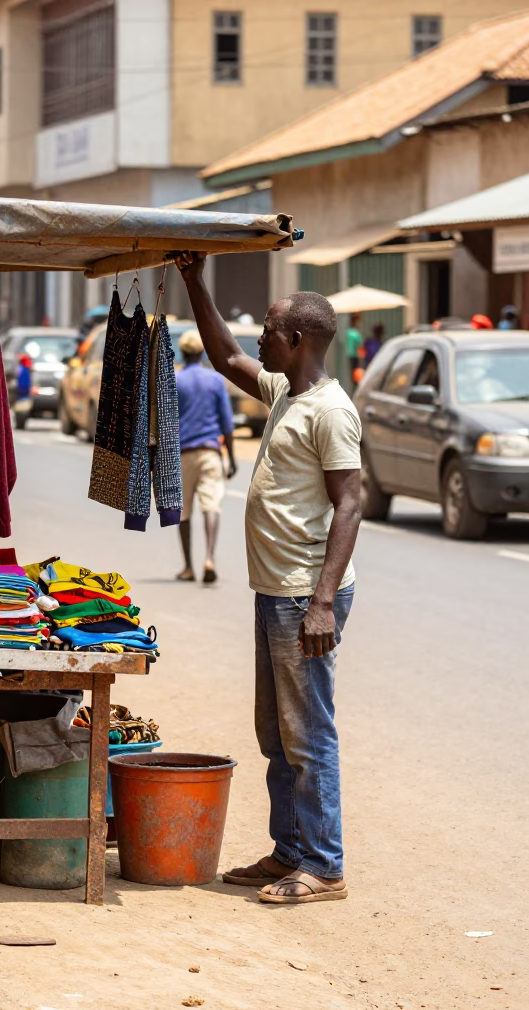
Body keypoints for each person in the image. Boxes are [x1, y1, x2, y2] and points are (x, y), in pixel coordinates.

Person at [177, 251, 361, 906]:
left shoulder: (331, 412)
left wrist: (321, 604)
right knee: (276, 733)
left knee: (308, 734)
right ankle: (291, 850)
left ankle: (325, 865)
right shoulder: (288, 392)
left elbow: (351, 502)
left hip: (303, 595)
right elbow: (228, 359)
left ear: (298, 340)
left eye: (268, 328)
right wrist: (193, 279)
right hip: (275, 589)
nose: (258, 337)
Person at [174, 329, 237, 585]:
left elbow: (165, 423)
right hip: (211, 452)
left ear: (183, 353)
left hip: (183, 454)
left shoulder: (175, 381)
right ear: (202, 352)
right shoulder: (215, 381)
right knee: (212, 505)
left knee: (184, 512)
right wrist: (231, 458)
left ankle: (188, 567)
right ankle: (209, 558)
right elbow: (227, 423)